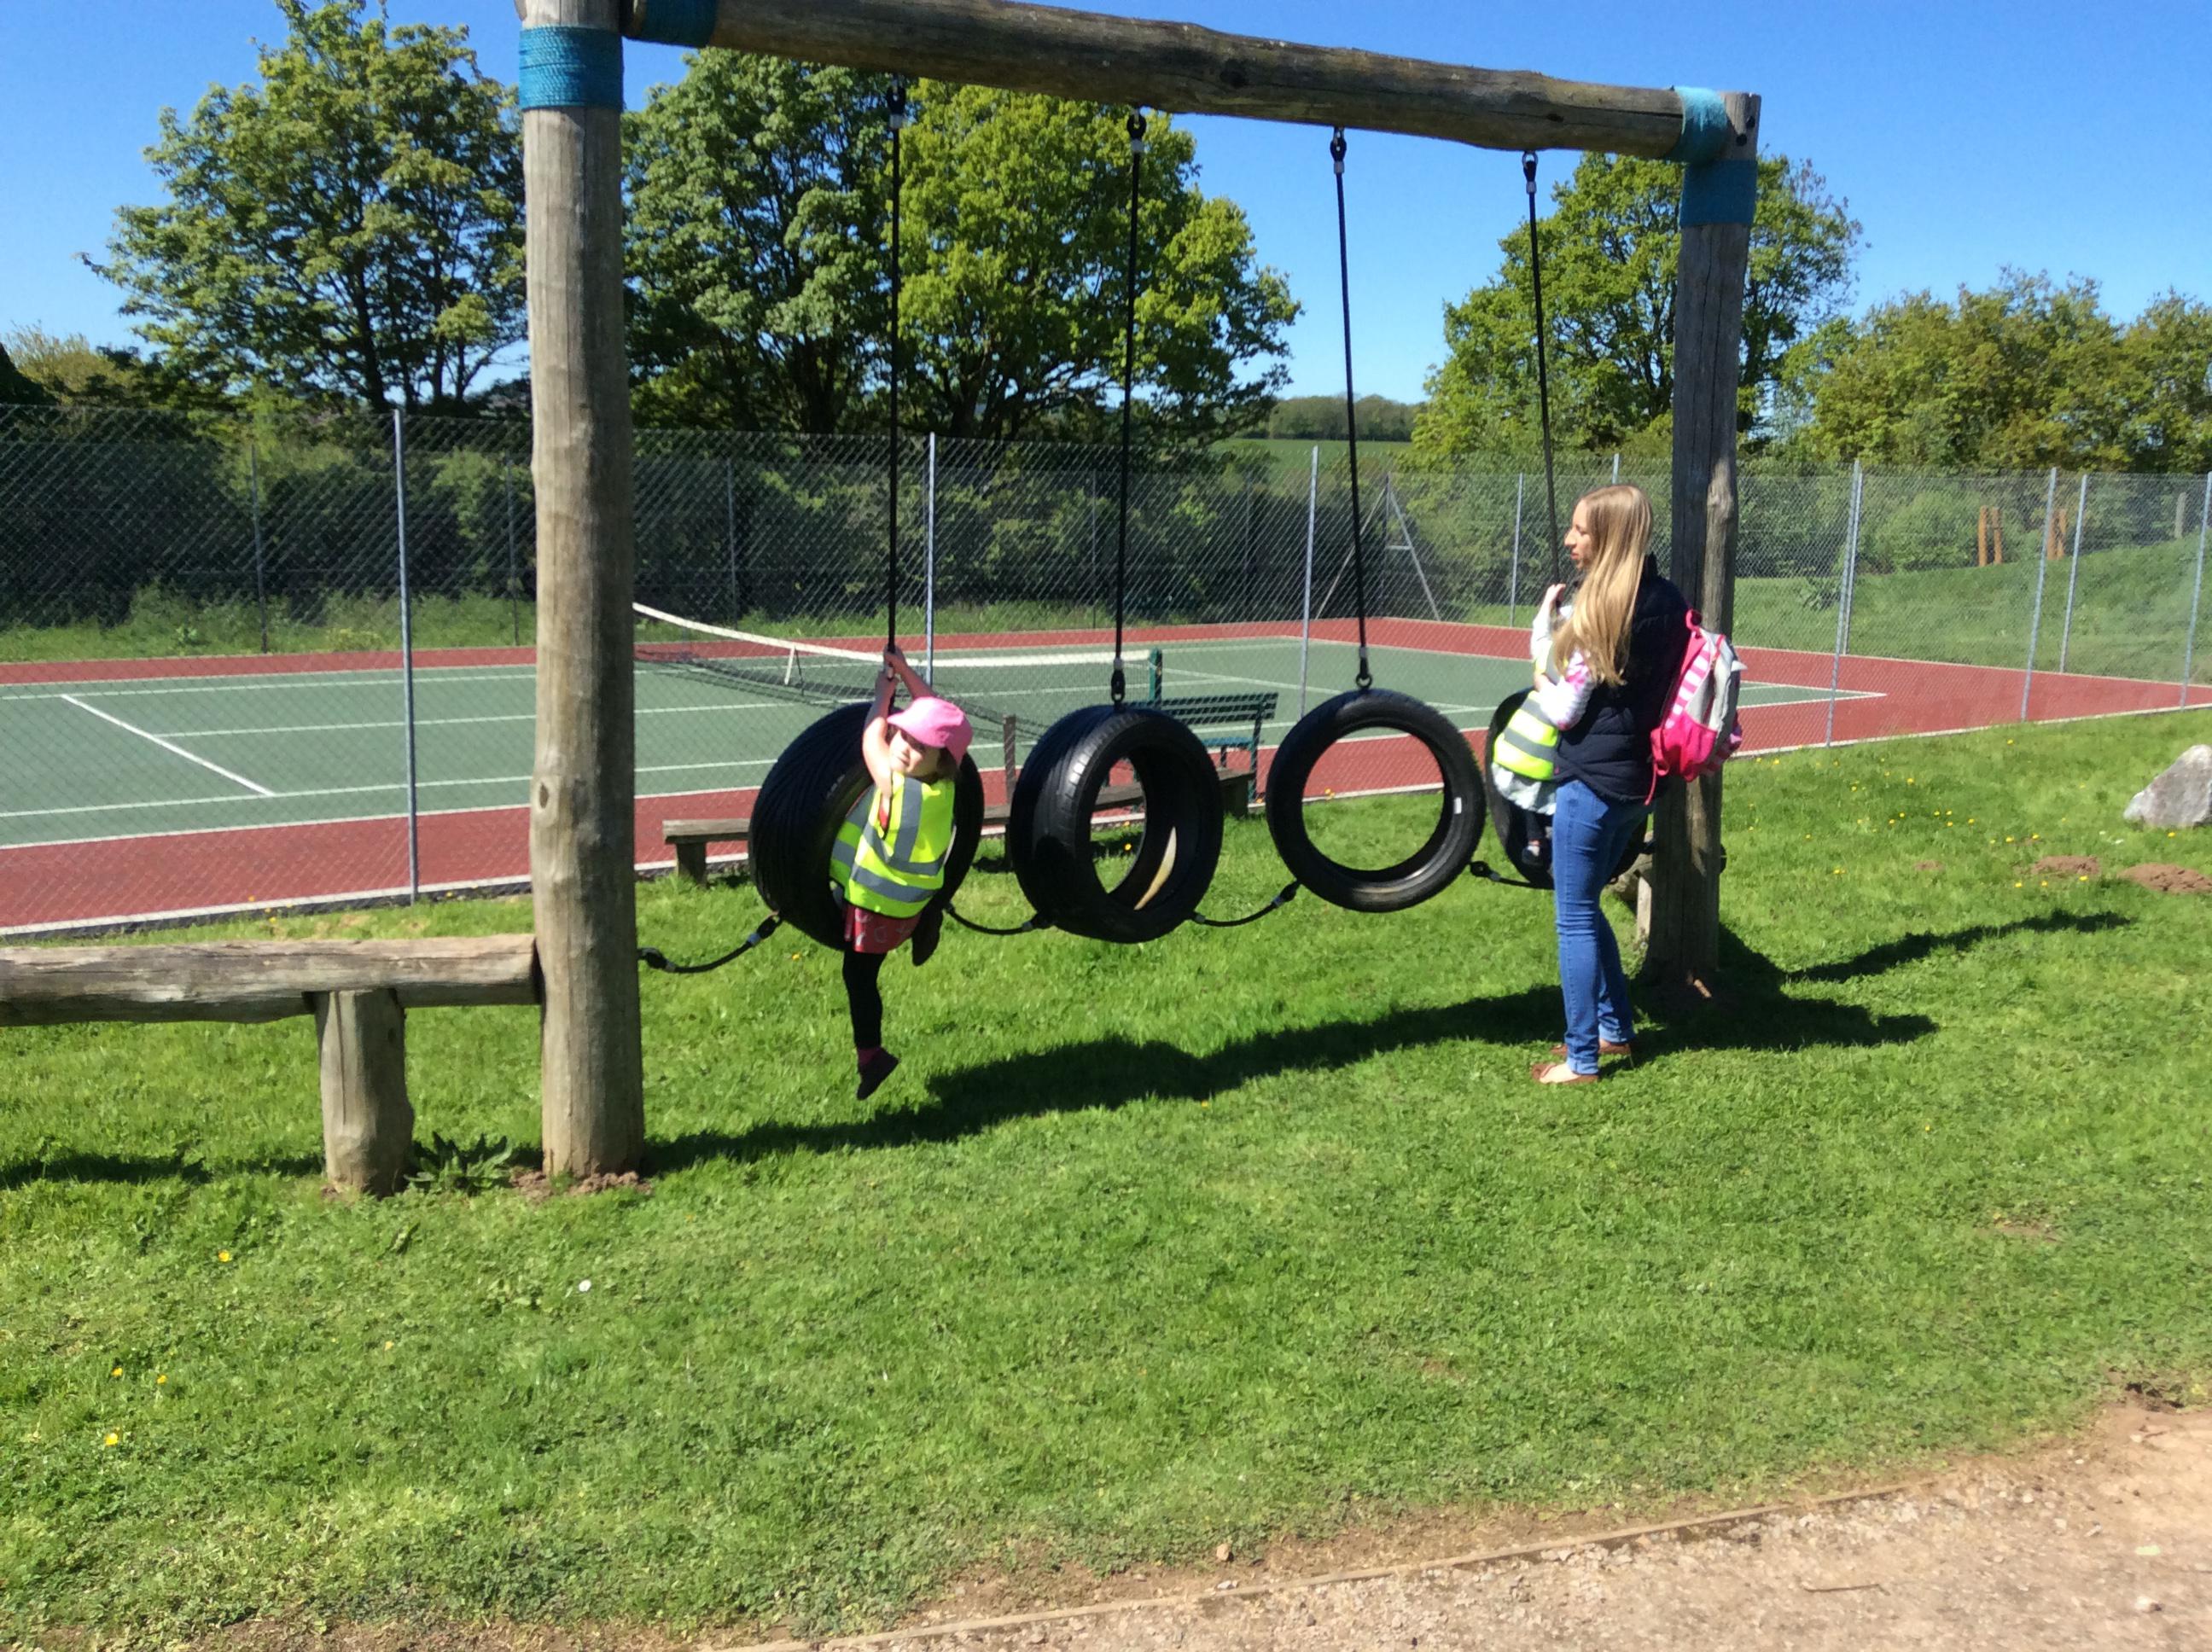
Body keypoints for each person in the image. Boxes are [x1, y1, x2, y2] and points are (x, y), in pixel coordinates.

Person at [1524, 485, 1688, 1085]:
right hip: (1640, 781)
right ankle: (1615, 1030)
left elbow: (1566, 710)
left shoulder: (1602, 609)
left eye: (1581, 531)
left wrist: (1540, 651)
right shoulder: (1667, 599)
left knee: (1571, 916)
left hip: (1591, 781)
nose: (1570, 540)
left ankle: (1581, 1059)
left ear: (1609, 536)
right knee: (1587, 904)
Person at [833, 646, 971, 1101]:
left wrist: (882, 699)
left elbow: (871, 740)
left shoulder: (895, 786)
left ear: (940, 759)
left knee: (858, 978)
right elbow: (937, 715)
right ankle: (925, 923)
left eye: (918, 746)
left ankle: (871, 1056)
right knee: (866, 968)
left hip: (876, 906)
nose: (904, 748)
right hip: (910, 904)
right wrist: (907, 672)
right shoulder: (944, 786)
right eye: (903, 736)